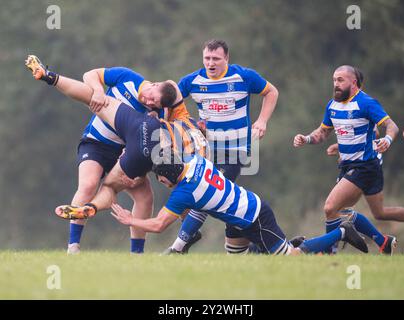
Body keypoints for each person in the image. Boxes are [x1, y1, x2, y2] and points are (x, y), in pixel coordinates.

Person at [25, 55, 209, 244]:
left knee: (145, 197)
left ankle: (136, 253)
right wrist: (98, 90)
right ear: (154, 84)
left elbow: (157, 150)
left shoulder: (159, 113)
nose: (150, 102)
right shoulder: (128, 77)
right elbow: (90, 74)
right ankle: (73, 245)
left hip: (125, 152)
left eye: (155, 104)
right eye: (152, 97)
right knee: (89, 185)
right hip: (96, 144)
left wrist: (139, 174)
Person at [56, 154, 369, 256]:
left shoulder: (184, 193)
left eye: (161, 182)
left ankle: (341, 233)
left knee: (292, 257)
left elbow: (158, 225)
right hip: (240, 214)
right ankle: (278, 247)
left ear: (166, 180)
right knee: (233, 258)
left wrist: (129, 221)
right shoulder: (197, 161)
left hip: (254, 215)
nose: (162, 186)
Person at [167, 39, 280, 254]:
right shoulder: (193, 80)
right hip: (207, 151)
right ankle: (261, 245)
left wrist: (262, 121)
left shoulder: (243, 76)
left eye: (216, 59)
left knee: (207, 190)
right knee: (199, 191)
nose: (211, 63)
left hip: (236, 150)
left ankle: (178, 247)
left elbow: (272, 92)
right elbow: (170, 98)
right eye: (207, 58)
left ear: (226, 58)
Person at [293, 65, 404, 254]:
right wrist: (306, 138)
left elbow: (391, 126)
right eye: (334, 80)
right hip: (350, 166)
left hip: (364, 167)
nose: (336, 84)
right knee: (378, 213)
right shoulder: (332, 105)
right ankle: (383, 242)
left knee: (330, 208)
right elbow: (323, 132)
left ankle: (329, 251)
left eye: (340, 80)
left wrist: (388, 140)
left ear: (353, 83)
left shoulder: (366, 103)